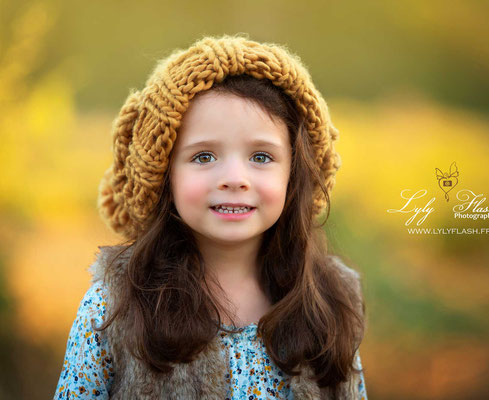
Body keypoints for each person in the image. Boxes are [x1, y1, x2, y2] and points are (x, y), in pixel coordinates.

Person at [54, 34, 368, 399]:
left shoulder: (328, 306)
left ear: (293, 175)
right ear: (164, 175)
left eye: (261, 157)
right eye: (204, 156)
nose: (234, 179)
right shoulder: (113, 308)